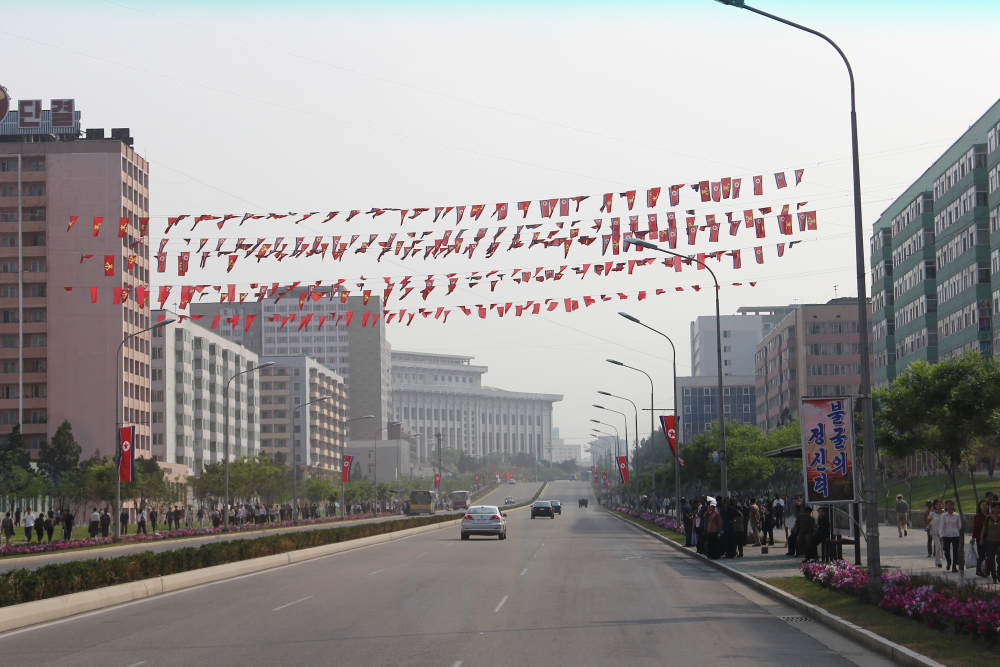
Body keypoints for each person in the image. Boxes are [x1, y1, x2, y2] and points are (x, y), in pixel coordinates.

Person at [940, 500, 962, 572]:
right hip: (947, 535)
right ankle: (949, 562)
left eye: (951, 505)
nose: (950, 506)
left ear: (953, 506)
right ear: (946, 506)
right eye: (948, 505)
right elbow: (942, 526)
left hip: (955, 535)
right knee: (946, 551)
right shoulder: (944, 515)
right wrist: (941, 534)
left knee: (955, 551)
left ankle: (954, 566)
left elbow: (959, 526)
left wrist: (960, 535)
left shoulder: (957, 515)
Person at [983, 502, 1000, 584]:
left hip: (999, 542)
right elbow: (984, 529)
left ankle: (999, 574)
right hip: (989, 542)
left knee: (999, 560)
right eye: (996, 508)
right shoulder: (988, 518)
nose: (997, 509)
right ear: (992, 508)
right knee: (991, 560)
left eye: (999, 508)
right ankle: (994, 577)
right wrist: (981, 539)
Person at [973, 499, 990, 577]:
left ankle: (988, 570)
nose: (984, 506)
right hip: (980, 538)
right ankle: (981, 570)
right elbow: (975, 528)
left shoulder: (991, 516)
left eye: (986, 505)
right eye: (983, 505)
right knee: (982, 555)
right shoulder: (977, 516)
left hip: (990, 538)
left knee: (990, 555)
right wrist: (974, 538)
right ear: (980, 506)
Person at [928, 499, 944, 567]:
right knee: (938, 546)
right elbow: (928, 521)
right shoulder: (932, 513)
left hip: (942, 532)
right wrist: (929, 524)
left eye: (940, 504)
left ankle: (940, 560)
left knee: (942, 547)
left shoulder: (944, 513)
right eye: (937, 504)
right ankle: (938, 562)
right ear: (934, 505)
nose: (938, 505)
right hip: (934, 531)